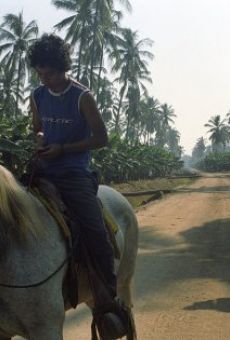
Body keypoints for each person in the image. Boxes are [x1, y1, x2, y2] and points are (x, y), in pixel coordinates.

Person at [27, 34, 117, 299]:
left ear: (63, 68)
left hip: (73, 173)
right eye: (39, 73)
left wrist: (63, 149)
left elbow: (102, 138)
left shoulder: (82, 97)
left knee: (94, 229)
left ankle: (108, 298)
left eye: (50, 73)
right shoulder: (38, 95)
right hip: (43, 169)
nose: (44, 79)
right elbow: (38, 128)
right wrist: (41, 141)